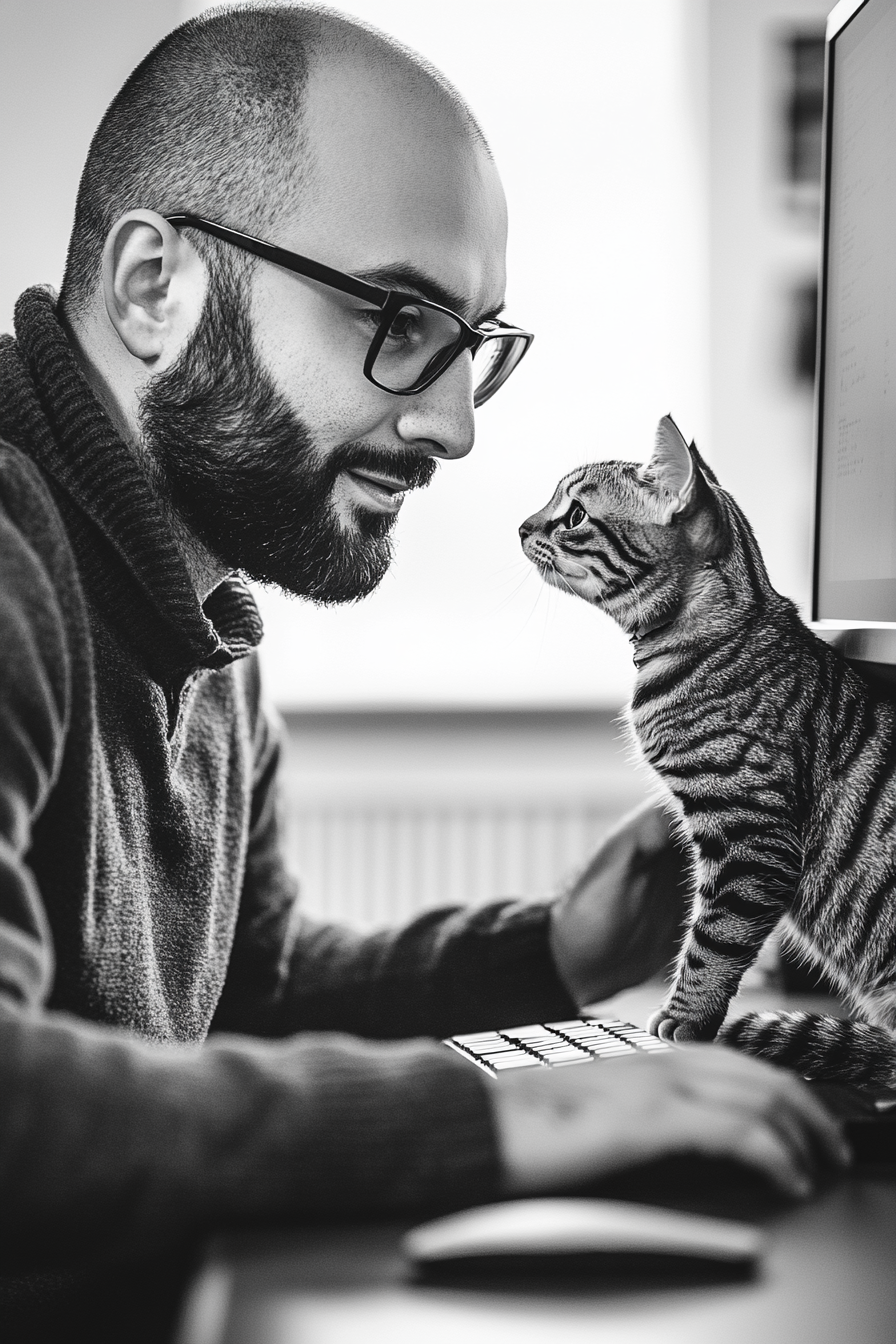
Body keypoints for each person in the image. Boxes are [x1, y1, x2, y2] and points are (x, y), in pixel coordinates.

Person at [0, 3, 846, 1335]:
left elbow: (249, 1003)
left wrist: (552, 956)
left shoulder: (202, 607)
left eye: (475, 345)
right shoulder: (12, 565)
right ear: (156, 287)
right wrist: (504, 1111)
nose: (453, 424)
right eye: (398, 317)